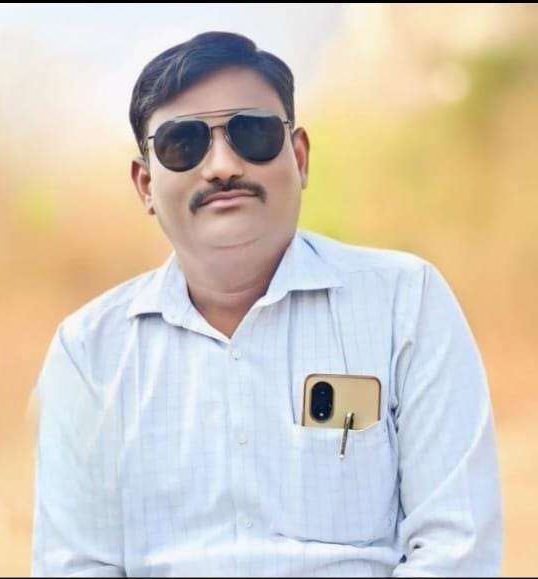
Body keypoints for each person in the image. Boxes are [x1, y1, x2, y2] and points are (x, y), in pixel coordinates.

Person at [31, 31, 502, 577]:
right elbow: (76, 565)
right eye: (183, 144)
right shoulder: (89, 352)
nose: (222, 166)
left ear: (299, 157)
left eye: (251, 133)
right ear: (145, 184)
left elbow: (456, 544)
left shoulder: (405, 303)